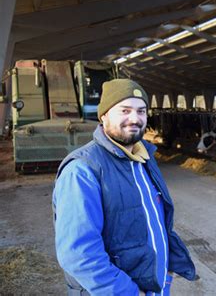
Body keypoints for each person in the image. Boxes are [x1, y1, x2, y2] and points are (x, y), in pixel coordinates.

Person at [53, 79, 196, 295]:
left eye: (141, 111)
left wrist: (166, 273)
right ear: (103, 115)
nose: (134, 119)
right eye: (125, 110)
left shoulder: (143, 158)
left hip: (153, 286)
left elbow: (155, 221)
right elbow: (79, 253)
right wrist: (127, 292)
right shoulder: (82, 170)